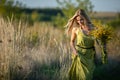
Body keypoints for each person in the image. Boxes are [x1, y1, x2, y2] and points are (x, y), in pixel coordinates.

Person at [65, 9, 96, 80]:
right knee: (82, 76)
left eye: (81, 19)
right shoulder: (75, 29)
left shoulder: (93, 28)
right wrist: (74, 51)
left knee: (88, 75)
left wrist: (103, 44)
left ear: (85, 18)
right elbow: (71, 41)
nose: (79, 22)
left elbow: (98, 41)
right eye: (77, 20)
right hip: (79, 54)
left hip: (90, 54)